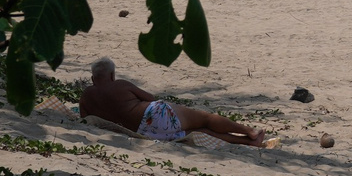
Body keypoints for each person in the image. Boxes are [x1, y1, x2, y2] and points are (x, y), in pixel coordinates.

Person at [77, 58, 268, 147]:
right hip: (154, 116)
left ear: (93, 78)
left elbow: (87, 119)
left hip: (144, 132)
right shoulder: (119, 85)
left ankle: (247, 142)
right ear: (111, 74)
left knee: (199, 133)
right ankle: (249, 132)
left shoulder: (86, 97)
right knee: (205, 119)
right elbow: (150, 98)